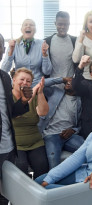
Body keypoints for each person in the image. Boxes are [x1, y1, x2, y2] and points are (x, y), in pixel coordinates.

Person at [0, 34, 32, 205]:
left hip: (7, 147)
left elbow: (10, 112)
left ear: (3, 50)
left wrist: (24, 102)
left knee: (6, 194)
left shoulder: (4, 77)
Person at [38, 77, 84, 169]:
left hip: (70, 135)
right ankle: (53, 182)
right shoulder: (55, 92)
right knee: (53, 161)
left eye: (72, 82)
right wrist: (62, 79)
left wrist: (73, 130)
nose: (68, 82)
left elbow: (80, 124)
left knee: (88, 150)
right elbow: (40, 84)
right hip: (51, 135)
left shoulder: (80, 101)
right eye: (67, 81)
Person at [12, 68, 49, 179]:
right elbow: (15, 113)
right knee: (21, 168)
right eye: (22, 79)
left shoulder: (35, 96)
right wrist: (31, 95)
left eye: (28, 81)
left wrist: (40, 92)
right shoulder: (7, 97)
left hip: (35, 142)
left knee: (42, 167)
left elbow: (43, 112)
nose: (25, 83)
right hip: (16, 145)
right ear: (14, 80)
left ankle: (39, 194)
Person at [1, 19, 52, 86]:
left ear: (35, 30)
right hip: (19, 85)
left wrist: (45, 54)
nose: (28, 26)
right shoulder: (14, 44)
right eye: (25, 24)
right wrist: (10, 51)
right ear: (21, 30)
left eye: (31, 25)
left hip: (37, 85)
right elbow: (4, 70)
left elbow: (47, 72)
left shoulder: (42, 44)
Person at [45, 11, 77, 79]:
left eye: (65, 24)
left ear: (69, 24)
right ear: (55, 24)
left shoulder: (75, 41)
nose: (63, 27)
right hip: (53, 84)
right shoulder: (47, 42)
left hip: (70, 84)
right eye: (60, 24)